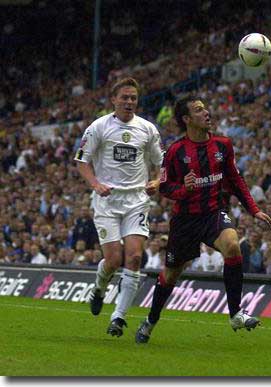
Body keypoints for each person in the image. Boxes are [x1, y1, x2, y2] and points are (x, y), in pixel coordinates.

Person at [135, 96, 271, 344]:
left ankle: (235, 314)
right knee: (171, 274)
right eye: (199, 110)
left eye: (205, 108)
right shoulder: (176, 151)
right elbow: (165, 188)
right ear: (187, 119)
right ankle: (150, 321)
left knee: (232, 245)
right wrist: (185, 190)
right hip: (185, 220)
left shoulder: (223, 145)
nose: (206, 112)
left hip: (213, 213)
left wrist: (253, 209)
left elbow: (235, 180)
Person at [74, 77, 163, 337]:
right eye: (124, 97)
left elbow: (163, 162)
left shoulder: (148, 129)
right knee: (113, 259)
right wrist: (95, 184)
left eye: (133, 98)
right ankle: (100, 288)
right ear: (113, 100)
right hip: (107, 201)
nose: (129, 102)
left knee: (134, 257)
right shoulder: (98, 127)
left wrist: (157, 181)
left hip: (136, 200)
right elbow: (82, 160)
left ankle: (118, 317)